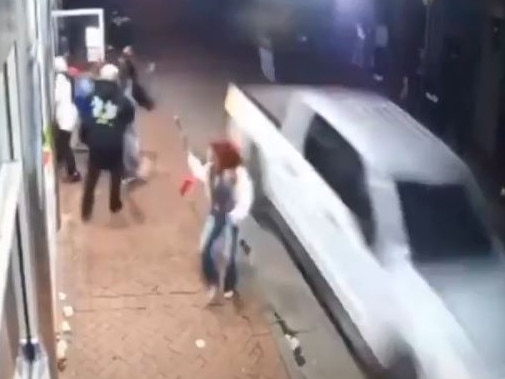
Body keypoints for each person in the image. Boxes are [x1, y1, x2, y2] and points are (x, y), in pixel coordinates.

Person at [187, 140, 254, 302]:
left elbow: (245, 200)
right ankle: (213, 281)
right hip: (216, 215)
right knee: (205, 250)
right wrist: (190, 157)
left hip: (230, 218)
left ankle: (229, 286)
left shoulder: (239, 176)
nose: (210, 156)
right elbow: (199, 172)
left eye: (213, 154)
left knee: (229, 255)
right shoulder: (211, 169)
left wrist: (233, 217)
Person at [81, 63, 135, 221]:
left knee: (91, 180)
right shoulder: (123, 100)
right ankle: (114, 205)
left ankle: (86, 212)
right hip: (114, 144)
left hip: (95, 145)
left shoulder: (90, 97)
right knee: (116, 173)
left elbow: (85, 121)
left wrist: (87, 139)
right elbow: (129, 118)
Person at [54, 56, 81, 182]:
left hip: (65, 117)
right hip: (69, 115)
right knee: (63, 144)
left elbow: (56, 98)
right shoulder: (67, 79)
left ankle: (73, 172)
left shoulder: (59, 80)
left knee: (64, 145)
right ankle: (65, 166)